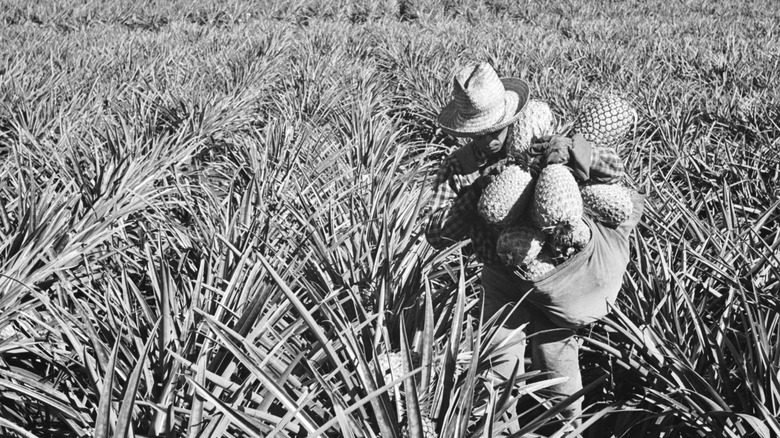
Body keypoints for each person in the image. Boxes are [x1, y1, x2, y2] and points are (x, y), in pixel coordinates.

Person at [424, 62, 636, 433]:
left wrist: (571, 152)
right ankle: (498, 429)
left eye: (494, 130)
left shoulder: (542, 136)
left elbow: (615, 169)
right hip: (499, 278)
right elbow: (435, 232)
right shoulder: (458, 166)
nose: (486, 140)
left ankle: (564, 431)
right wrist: (476, 194)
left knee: (559, 377)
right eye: (477, 133)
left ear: (512, 117)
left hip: (553, 277)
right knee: (494, 372)